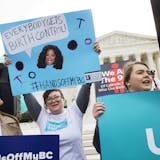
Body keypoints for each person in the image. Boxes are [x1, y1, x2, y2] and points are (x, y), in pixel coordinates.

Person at [92, 61, 158, 153]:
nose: (147, 75)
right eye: (140, 73)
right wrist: (100, 122)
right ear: (127, 82)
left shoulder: (156, 104)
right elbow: (101, 148)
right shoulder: (113, 109)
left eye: (149, 72)